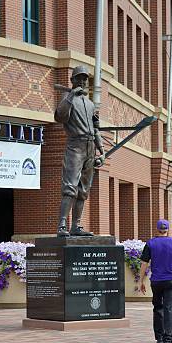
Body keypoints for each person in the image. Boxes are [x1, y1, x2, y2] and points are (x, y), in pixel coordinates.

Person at [54, 65, 105, 237]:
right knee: (70, 187)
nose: (82, 81)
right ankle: (62, 225)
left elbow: (96, 129)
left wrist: (102, 150)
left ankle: (76, 226)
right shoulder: (67, 100)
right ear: (72, 80)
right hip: (75, 146)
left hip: (90, 147)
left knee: (83, 190)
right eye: (79, 78)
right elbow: (59, 117)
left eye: (84, 79)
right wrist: (70, 96)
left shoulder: (90, 104)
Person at [139, 219, 172, 343]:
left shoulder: (151, 243)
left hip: (156, 281)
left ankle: (159, 339)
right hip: (170, 279)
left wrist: (140, 281)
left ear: (157, 229)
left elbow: (144, 263)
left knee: (157, 307)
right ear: (167, 230)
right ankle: (168, 342)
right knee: (169, 310)